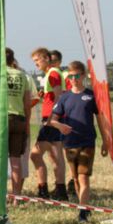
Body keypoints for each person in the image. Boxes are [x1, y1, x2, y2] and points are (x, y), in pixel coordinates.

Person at [48, 60, 113, 223]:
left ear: (83, 76)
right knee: (75, 178)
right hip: (69, 143)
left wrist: (105, 140)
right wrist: (60, 126)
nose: (73, 79)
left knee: (83, 177)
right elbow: (53, 120)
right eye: (70, 76)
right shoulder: (64, 97)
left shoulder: (91, 96)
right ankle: (83, 207)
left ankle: (83, 213)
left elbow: (100, 119)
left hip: (87, 141)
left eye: (76, 76)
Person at [29, 47, 68, 200]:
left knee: (36, 155)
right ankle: (60, 190)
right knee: (55, 155)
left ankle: (44, 189)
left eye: (37, 60)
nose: (36, 64)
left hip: (50, 119)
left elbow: (58, 97)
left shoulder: (53, 73)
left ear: (46, 58)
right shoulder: (52, 73)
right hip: (53, 119)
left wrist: (52, 118)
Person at [5, 48, 32, 199]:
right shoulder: (22, 75)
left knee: (0, 160)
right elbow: (27, 103)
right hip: (19, 119)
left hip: (3, 120)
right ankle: (16, 195)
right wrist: (27, 123)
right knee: (16, 160)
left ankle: (1, 194)